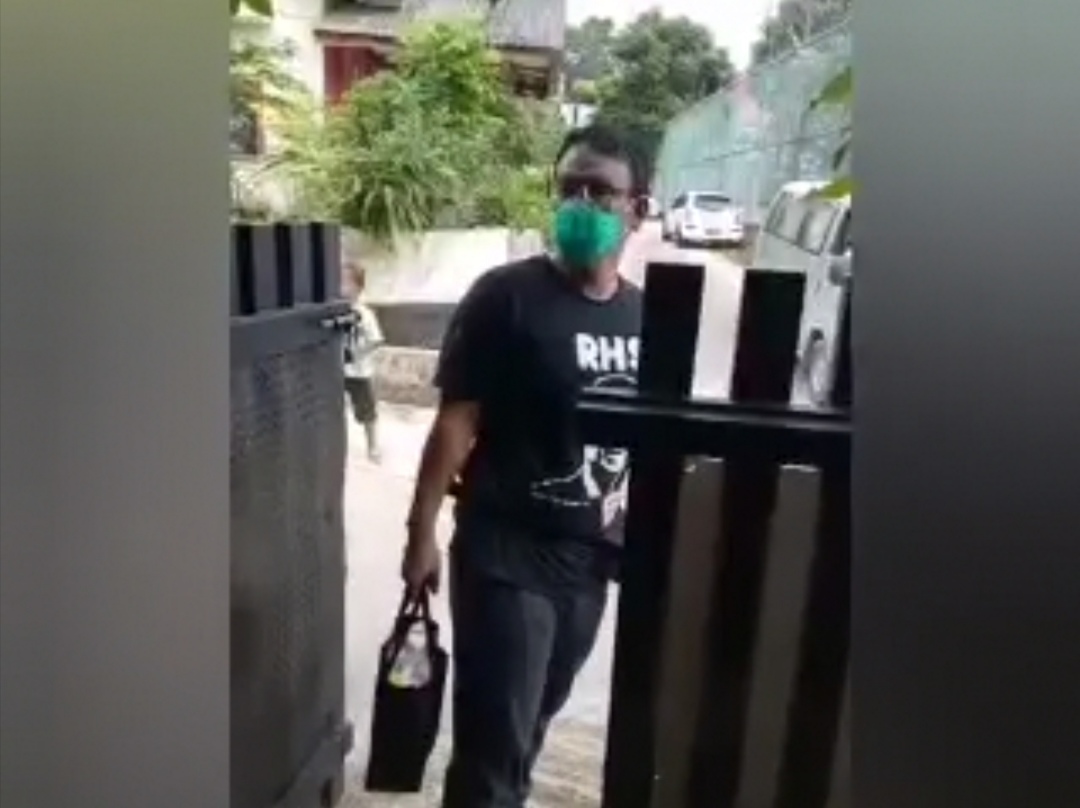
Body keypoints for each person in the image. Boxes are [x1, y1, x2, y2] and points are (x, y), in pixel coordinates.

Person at [401, 124, 649, 808]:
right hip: (506, 554)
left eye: (601, 191)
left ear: (637, 210)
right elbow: (456, 421)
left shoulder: (643, 317)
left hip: (587, 562)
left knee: (529, 727)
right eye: (570, 188)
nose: (582, 203)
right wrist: (420, 534)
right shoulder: (506, 297)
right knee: (494, 750)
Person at [342, 261, 384, 463]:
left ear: (358, 287)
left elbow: (376, 340)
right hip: (338, 370)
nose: (340, 287)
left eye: (345, 282)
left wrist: (356, 353)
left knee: (367, 411)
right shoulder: (335, 312)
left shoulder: (365, 314)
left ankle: (373, 446)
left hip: (359, 372)